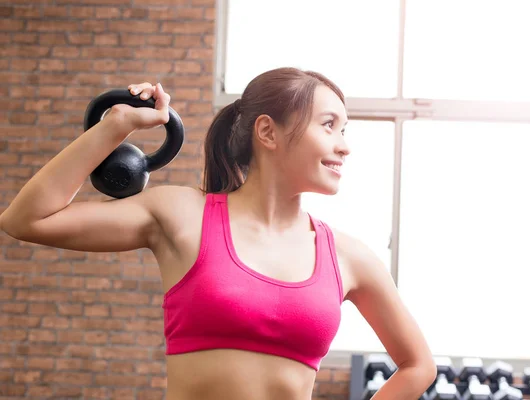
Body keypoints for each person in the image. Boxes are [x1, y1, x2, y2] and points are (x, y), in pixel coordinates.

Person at [0, 67, 436, 400]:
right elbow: (26, 219)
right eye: (328, 126)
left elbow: (418, 365)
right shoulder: (182, 215)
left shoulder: (348, 256)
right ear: (268, 131)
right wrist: (116, 126)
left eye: (344, 130)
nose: (344, 144)